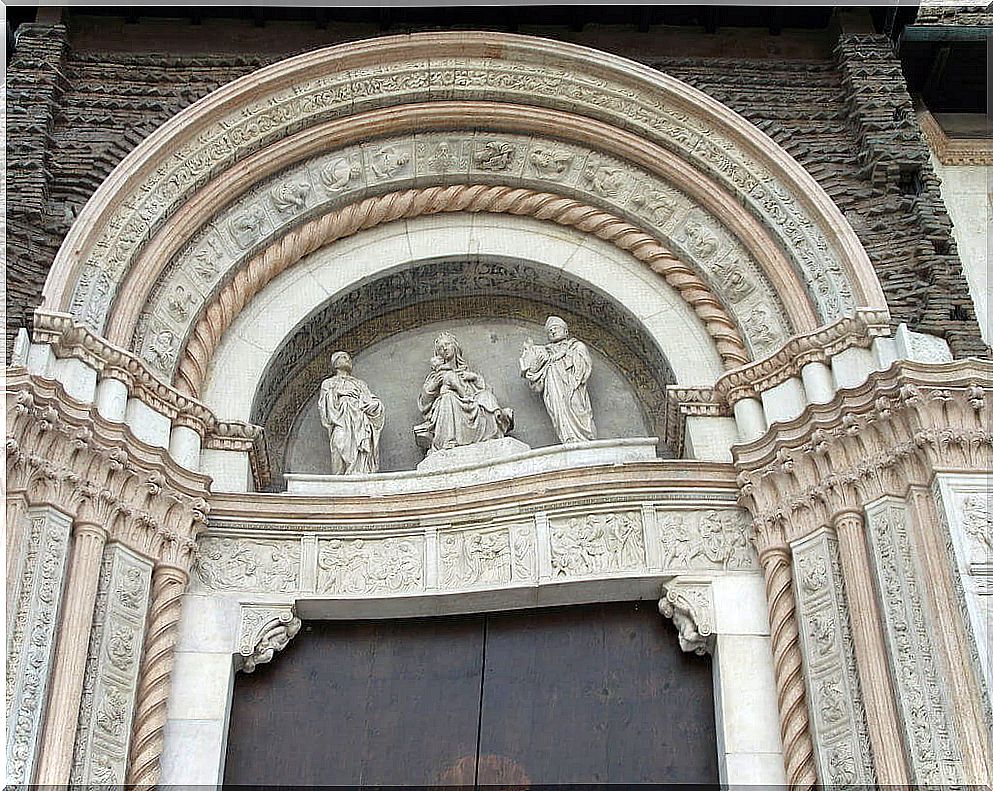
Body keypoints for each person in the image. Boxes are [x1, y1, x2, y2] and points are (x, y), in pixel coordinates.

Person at [414, 332, 513, 453]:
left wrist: (475, 378)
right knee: (448, 397)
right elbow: (424, 402)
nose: (444, 348)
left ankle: (494, 428)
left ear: (455, 347)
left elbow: (481, 390)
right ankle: (449, 440)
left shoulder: (465, 372)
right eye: (440, 347)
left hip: (470, 403)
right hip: (452, 406)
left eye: (447, 344)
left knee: (486, 396)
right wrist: (434, 384)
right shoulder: (437, 375)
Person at [520, 315, 597, 443]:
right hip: (554, 389)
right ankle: (569, 437)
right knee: (559, 413)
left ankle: (586, 437)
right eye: (550, 331)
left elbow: (585, 366)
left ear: (566, 331)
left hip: (572, 386)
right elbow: (535, 380)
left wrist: (564, 355)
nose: (553, 332)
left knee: (577, 407)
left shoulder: (576, 347)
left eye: (555, 328)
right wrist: (535, 363)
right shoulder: (545, 352)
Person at [318, 351, 385, 474]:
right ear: (335, 363)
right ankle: (340, 477)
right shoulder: (328, 383)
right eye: (344, 357)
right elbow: (324, 406)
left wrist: (376, 405)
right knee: (339, 441)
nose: (348, 360)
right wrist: (339, 393)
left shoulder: (359, 383)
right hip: (340, 421)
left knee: (360, 449)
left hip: (359, 422)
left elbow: (369, 399)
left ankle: (359, 472)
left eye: (349, 358)